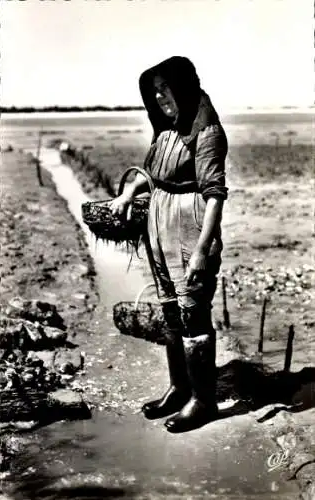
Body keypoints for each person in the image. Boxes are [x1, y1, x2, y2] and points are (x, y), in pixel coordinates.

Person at [109, 56, 228, 433]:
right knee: (170, 312)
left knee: (193, 313)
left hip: (189, 228)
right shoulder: (165, 131)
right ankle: (179, 387)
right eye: (155, 91)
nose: (161, 98)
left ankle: (203, 401)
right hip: (159, 230)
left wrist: (200, 251)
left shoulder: (206, 132)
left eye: (167, 89)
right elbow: (153, 176)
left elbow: (215, 196)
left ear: (184, 87)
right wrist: (129, 193)